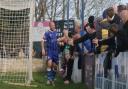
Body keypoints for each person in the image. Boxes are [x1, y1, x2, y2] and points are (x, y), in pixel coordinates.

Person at [42, 21, 59, 86]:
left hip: (56, 51)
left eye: (54, 25)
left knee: (55, 66)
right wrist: (43, 49)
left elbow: (59, 40)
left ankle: (52, 78)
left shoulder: (56, 32)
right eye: (52, 25)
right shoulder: (47, 33)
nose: (53, 26)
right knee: (49, 64)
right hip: (50, 51)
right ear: (50, 26)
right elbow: (42, 40)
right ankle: (49, 79)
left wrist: (60, 42)